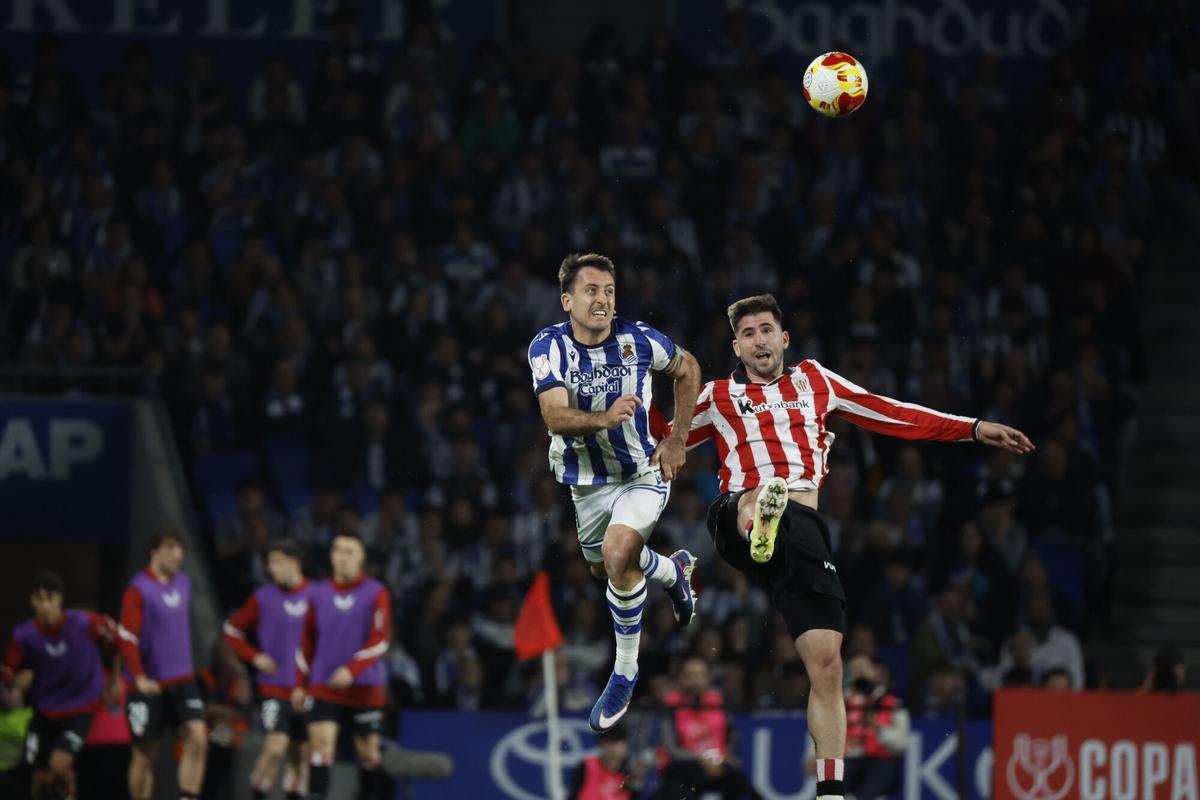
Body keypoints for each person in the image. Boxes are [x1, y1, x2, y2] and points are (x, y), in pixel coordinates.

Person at [670, 294, 1034, 800]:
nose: (759, 340)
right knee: (754, 499)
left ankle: (831, 791)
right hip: (735, 517)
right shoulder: (716, 397)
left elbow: (891, 413)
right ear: (736, 345)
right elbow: (661, 442)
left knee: (828, 663)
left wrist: (971, 428)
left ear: (784, 338)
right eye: (748, 334)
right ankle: (758, 522)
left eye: (766, 330)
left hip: (802, 534)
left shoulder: (816, 382)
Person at [527, 252, 703, 732]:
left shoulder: (640, 339)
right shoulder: (548, 347)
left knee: (618, 551)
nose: (602, 300)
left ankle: (625, 672)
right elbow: (554, 415)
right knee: (607, 567)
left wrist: (677, 438)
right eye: (591, 291)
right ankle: (673, 571)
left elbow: (688, 370)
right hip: (586, 486)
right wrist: (605, 418)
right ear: (568, 300)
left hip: (641, 471)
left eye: (608, 291)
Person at [1, 571, 120, 800]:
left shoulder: (85, 622)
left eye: (50, 598)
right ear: (31, 602)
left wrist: (115, 680)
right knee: (38, 778)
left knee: (59, 765)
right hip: (44, 712)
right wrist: (18, 680)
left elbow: (117, 640)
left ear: (60, 599)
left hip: (80, 708)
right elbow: (9, 673)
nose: (45, 605)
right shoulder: (23, 636)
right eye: (38, 599)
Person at [292, 532, 391, 800]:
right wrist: (300, 684)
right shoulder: (317, 593)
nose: (342, 556)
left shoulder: (375, 592)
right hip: (324, 685)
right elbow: (306, 643)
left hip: (365, 687)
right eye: (338, 550)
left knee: (368, 753)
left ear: (362, 558)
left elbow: (380, 641)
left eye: (350, 551)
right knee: (320, 747)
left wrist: (352, 670)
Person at [118, 530, 208, 800]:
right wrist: (139, 676)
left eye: (180, 548)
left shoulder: (184, 583)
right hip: (147, 686)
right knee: (146, 755)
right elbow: (127, 636)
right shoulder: (138, 588)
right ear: (154, 551)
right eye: (170, 547)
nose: (177, 554)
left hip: (182, 680)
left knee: (199, 737)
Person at [223, 540, 313, 800]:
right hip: (273, 688)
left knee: (301, 753)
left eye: (276, 562)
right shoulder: (263, 597)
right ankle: (257, 794)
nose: (270, 568)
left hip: (306, 690)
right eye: (268, 563)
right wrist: (255, 657)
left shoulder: (317, 596)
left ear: (294, 562)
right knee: (275, 746)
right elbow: (232, 630)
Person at [658, 656, 760, 800]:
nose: (697, 680)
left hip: (717, 762)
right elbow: (670, 747)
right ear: (681, 678)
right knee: (689, 779)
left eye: (701, 675)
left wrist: (723, 757)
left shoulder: (717, 701)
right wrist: (701, 759)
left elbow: (732, 735)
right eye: (691, 676)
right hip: (684, 764)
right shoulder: (671, 704)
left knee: (739, 779)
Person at [568, 726, 643, 800]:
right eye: (611, 743)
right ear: (602, 744)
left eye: (622, 744)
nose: (618, 749)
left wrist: (635, 782)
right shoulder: (586, 767)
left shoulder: (627, 775)